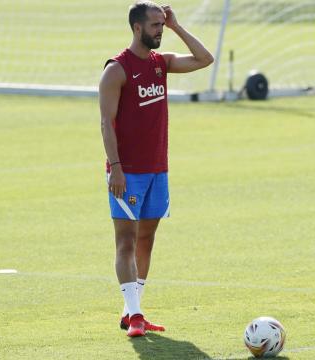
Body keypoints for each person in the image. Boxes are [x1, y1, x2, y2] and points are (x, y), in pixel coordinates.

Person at [99, 1, 213, 337]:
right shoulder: (116, 70)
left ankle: (131, 311)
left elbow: (204, 59)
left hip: (157, 170)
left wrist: (177, 26)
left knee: (146, 239)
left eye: (161, 26)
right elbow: (106, 123)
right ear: (137, 27)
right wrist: (116, 168)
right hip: (126, 171)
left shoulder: (160, 64)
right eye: (154, 26)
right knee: (125, 242)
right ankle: (135, 316)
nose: (159, 31)